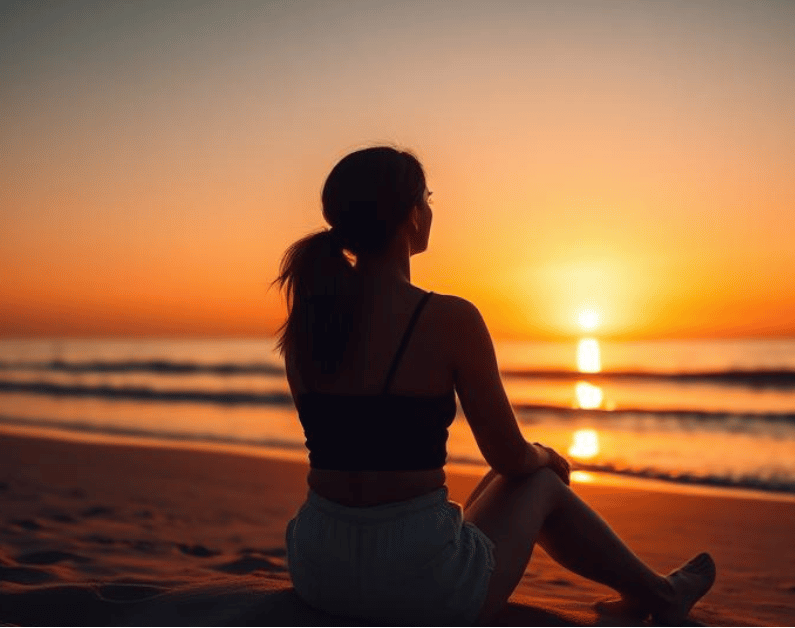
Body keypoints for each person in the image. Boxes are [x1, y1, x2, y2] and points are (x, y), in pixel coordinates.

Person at [276, 146, 715, 625]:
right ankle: (662, 594)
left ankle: (647, 593)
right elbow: (509, 455)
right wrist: (547, 455)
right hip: (417, 589)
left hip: (320, 569)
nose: (429, 208)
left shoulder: (308, 325)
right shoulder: (448, 319)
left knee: (498, 487)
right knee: (537, 478)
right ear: (410, 216)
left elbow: (352, 449)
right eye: (427, 197)